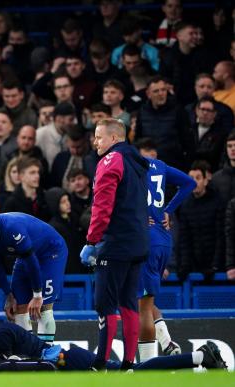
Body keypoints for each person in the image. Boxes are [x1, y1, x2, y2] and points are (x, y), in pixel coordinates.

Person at [80, 117, 149, 370]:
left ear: (113, 138)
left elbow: (102, 205)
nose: (95, 141)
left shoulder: (111, 160)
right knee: (129, 303)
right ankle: (128, 364)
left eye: (99, 136)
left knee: (104, 304)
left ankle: (100, 364)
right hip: (138, 242)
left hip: (116, 243)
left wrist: (92, 240)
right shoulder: (138, 162)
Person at [134, 138, 195, 361]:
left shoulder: (133, 167)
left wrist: (139, 216)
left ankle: (148, 365)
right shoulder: (160, 166)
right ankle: (166, 342)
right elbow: (189, 183)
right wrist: (168, 209)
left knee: (141, 307)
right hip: (163, 240)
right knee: (144, 300)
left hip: (145, 240)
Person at [0, 210, 68, 344]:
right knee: (18, 307)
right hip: (25, 254)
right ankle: (27, 353)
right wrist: (8, 294)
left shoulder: (12, 228)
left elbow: (31, 262)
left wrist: (37, 295)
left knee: (43, 307)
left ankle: (46, 354)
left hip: (50, 253)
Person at [0, 322, 227, 372]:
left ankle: (200, 356)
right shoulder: (0, 330)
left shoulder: (0, 332)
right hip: (65, 357)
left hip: (65, 359)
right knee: (135, 370)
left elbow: (13, 366)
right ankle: (199, 357)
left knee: (134, 372)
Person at [176, 161, 225, 282]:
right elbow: (184, 239)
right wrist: (185, 265)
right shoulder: (185, 205)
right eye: (191, 178)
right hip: (195, 266)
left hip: (215, 267)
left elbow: (220, 237)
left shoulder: (218, 202)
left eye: (198, 178)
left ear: (206, 180)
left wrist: (215, 266)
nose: (194, 182)